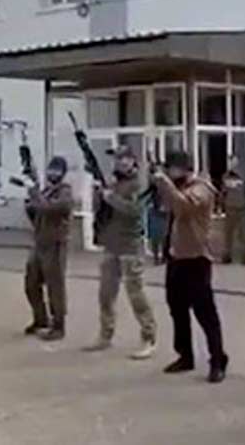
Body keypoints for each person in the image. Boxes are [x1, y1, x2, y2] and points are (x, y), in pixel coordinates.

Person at [153, 150, 229, 384]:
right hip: (177, 257)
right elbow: (168, 207)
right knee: (177, 308)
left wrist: (164, 183)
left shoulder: (201, 189)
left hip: (197, 258)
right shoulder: (178, 188)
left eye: (172, 169)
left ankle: (217, 359)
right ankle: (185, 355)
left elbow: (184, 206)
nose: (169, 173)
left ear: (185, 169)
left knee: (205, 312)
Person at [83, 146, 158, 359]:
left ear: (133, 161)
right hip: (111, 245)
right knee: (105, 294)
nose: (120, 163)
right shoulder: (114, 183)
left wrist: (109, 197)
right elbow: (103, 211)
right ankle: (105, 335)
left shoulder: (139, 184)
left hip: (130, 247)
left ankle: (148, 337)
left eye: (125, 159)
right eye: (118, 159)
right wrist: (99, 194)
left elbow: (134, 210)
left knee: (136, 295)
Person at [24, 156, 73, 341]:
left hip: (56, 244)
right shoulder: (46, 190)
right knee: (31, 283)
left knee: (55, 285)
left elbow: (51, 209)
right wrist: (30, 204)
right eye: (51, 170)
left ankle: (58, 325)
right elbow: (36, 214)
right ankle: (40, 318)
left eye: (57, 171)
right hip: (39, 242)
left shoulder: (65, 192)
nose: (53, 174)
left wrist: (35, 194)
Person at [220, 157, 245, 265]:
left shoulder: (243, 176)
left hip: (242, 208)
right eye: (230, 162)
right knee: (228, 233)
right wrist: (222, 205)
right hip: (230, 208)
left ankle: (244, 257)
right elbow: (223, 193)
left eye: (233, 162)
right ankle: (227, 256)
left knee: (243, 234)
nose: (232, 164)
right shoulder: (226, 176)